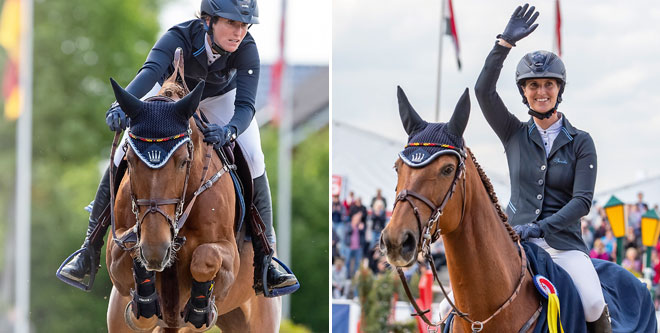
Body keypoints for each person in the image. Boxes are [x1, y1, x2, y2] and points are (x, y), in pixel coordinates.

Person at [59, 0, 297, 296]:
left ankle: (266, 259)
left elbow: (246, 106)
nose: (240, 32)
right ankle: (88, 251)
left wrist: (230, 130)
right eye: (232, 24)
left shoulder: (247, 49)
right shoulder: (177, 37)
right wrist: (120, 105)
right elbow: (148, 74)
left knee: (254, 156)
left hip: (221, 102)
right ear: (209, 21)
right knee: (123, 150)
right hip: (173, 99)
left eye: (244, 25)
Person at [473, 3, 610, 330]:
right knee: (454, 304)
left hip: (564, 246)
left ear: (559, 89)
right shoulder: (513, 133)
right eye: (533, 85)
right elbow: (482, 91)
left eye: (548, 84)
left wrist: (540, 228)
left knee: (593, 304)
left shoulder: (581, 141)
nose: (541, 91)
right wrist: (503, 44)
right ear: (524, 91)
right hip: (513, 241)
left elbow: (582, 202)